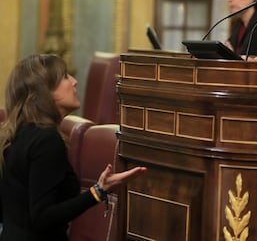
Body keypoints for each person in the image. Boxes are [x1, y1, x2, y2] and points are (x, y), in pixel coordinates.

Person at [0, 54, 147, 240]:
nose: (75, 81)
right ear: (46, 91)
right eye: (65, 77)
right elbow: (42, 218)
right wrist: (98, 191)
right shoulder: (46, 140)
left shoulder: (14, 134)